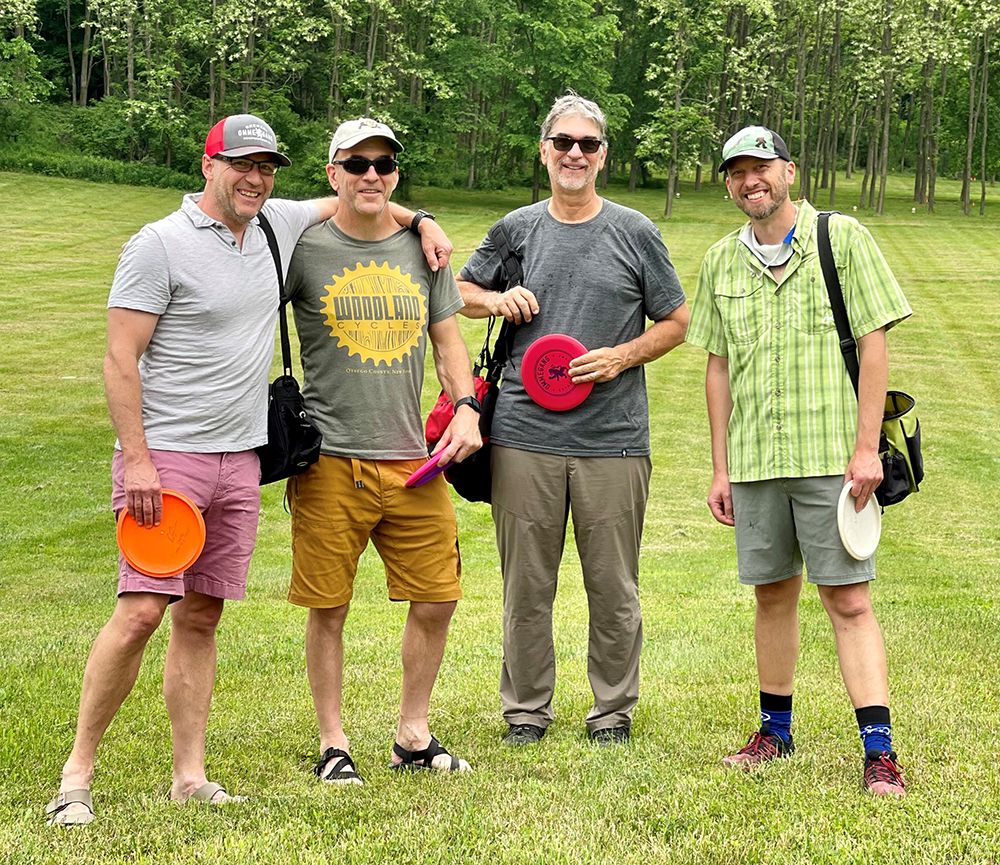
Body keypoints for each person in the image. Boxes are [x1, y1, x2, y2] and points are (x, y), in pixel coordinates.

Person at [45, 114, 454, 826]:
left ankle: (189, 776)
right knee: (142, 610)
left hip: (240, 460)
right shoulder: (159, 244)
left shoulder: (274, 226)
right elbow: (119, 358)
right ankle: (76, 776)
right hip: (167, 458)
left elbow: (360, 194)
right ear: (208, 165)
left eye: (266, 166)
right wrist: (136, 458)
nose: (255, 178)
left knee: (201, 616)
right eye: (241, 164)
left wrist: (423, 219)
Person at [685, 126, 912, 796]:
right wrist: (721, 468)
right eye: (736, 173)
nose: (750, 181)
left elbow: (874, 346)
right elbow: (717, 368)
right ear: (727, 184)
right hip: (755, 458)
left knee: (847, 597)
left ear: (789, 170)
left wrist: (867, 447)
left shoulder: (840, 239)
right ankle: (774, 732)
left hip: (831, 458)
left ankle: (879, 751)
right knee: (772, 593)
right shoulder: (721, 260)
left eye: (761, 168)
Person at [457, 94, 689, 747]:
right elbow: (461, 292)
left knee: (613, 585)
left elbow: (676, 320)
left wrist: (622, 355)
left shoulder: (635, 232)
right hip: (523, 437)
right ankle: (526, 711)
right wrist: (498, 299)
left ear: (603, 155)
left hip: (613, 442)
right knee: (526, 584)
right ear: (545, 151)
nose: (575, 154)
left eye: (588, 144)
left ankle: (611, 711)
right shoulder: (516, 229)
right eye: (563, 142)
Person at [284, 118, 481, 784]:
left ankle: (412, 734)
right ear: (332, 171)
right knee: (329, 605)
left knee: (439, 595)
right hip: (330, 459)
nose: (372, 173)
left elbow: (450, 341)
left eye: (385, 163)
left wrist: (466, 407)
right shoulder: (303, 248)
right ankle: (333, 743)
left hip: (410, 459)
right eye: (357, 162)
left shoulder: (423, 251)